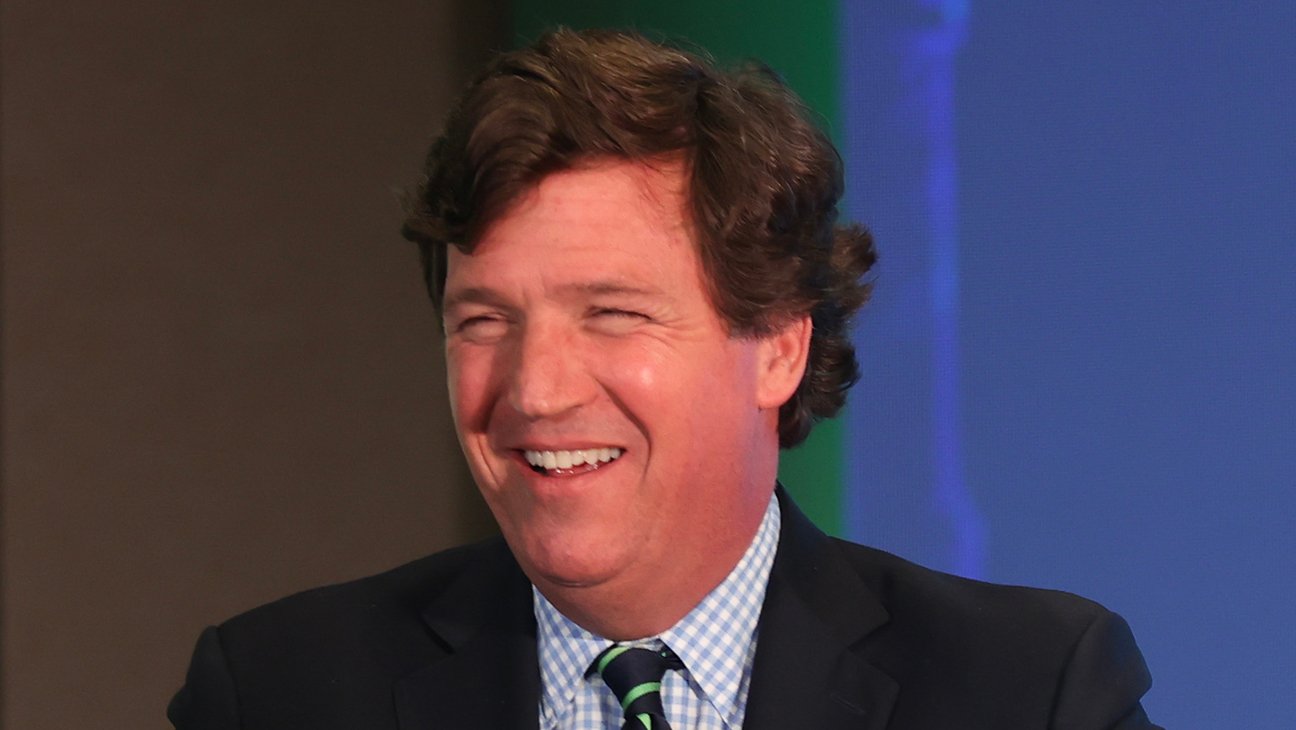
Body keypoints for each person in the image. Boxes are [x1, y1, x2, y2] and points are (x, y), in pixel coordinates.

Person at [169, 28, 1159, 729]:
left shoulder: (1029, 694)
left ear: (779, 346)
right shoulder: (277, 694)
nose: (536, 390)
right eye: (485, 321)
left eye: (613, 313)